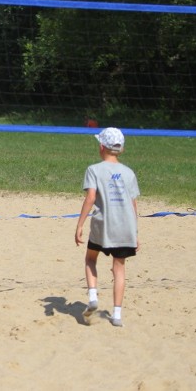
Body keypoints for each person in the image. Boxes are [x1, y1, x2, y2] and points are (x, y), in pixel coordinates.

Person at [75, 127, 140, 327]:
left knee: (90, 258)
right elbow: (133, 204)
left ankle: (93, 295)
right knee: (119, 268)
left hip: (103, 225)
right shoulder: (128, 173)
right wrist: (135, 233)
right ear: (121, 149)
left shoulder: (94, 169)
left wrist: (80, 224)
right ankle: (117, 314)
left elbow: (91, 197)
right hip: (125, 226)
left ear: (101, 146)